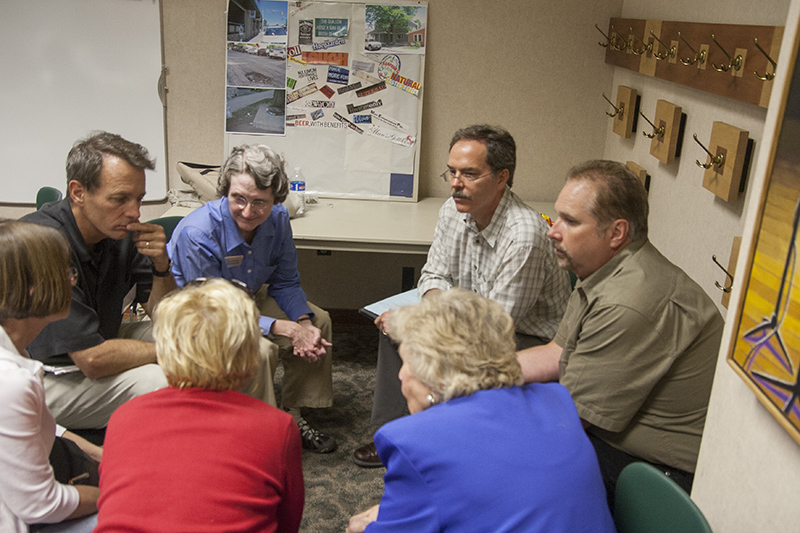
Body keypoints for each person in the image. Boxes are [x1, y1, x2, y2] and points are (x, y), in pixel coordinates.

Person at [354, 124, 571, 467]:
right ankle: (393, 435)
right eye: (452, 172)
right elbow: (433, 274)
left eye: (469, 174)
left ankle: (438, 439)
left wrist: (428, 324)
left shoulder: (525, 234)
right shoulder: (453, 210)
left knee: (417, 334)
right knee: (393, 329)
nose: (456, 183)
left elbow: (496, 326)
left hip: (524, 337)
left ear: (502, 178)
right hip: (470, 317)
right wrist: (425, 318)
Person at [518, 160, 724, 506]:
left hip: (661, 472)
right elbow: (556, 353)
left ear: (616, 233)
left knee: (504, 468)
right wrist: (477, 373)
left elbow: (567, 423)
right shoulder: (602, 271)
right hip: (608, 434)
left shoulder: (629, 302)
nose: (552, 230)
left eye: (570, 221)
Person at [347, 289, 614, 532]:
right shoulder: (556, 400)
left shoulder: (413, 441)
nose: (401, 375)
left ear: (435, 376)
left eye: (405, 362)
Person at [95, 278, 304, 532]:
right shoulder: (278, 427)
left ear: (164, 349)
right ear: (251, 355)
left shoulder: (123, 416)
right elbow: (288, 523)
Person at [168, 144, 336, 453]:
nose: (248, 212)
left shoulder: (278, 219)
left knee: (319, 321)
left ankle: (292, 412)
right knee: (259, 350)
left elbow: (285, 282)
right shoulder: (198, 234)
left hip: (245, 299)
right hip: (199, 314)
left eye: (260, 202)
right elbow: (211, 310)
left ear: (275, 199)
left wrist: (301, 323)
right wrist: (280, 328)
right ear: (225, 192)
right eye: (238, 199)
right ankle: (257, 432)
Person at [20, 131, 175, 430]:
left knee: (187, 335)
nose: (135, 212)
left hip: (98, 340)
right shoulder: (43, 241)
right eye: (119, 199)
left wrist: (161, 267)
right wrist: (178, 352)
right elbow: (91, 360)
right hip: (45, 378)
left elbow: (165, 315)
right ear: (78, 192)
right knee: (161, 380)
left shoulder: (121, 230)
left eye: (138, 198)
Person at [0, 220, 102, 532]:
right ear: (30, 288)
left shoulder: (17, 350)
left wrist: (103, 455)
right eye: (65, 273)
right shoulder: (11, 382)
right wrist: (115, 495)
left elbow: (36, 427)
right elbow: (41, 504)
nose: (72, 282)